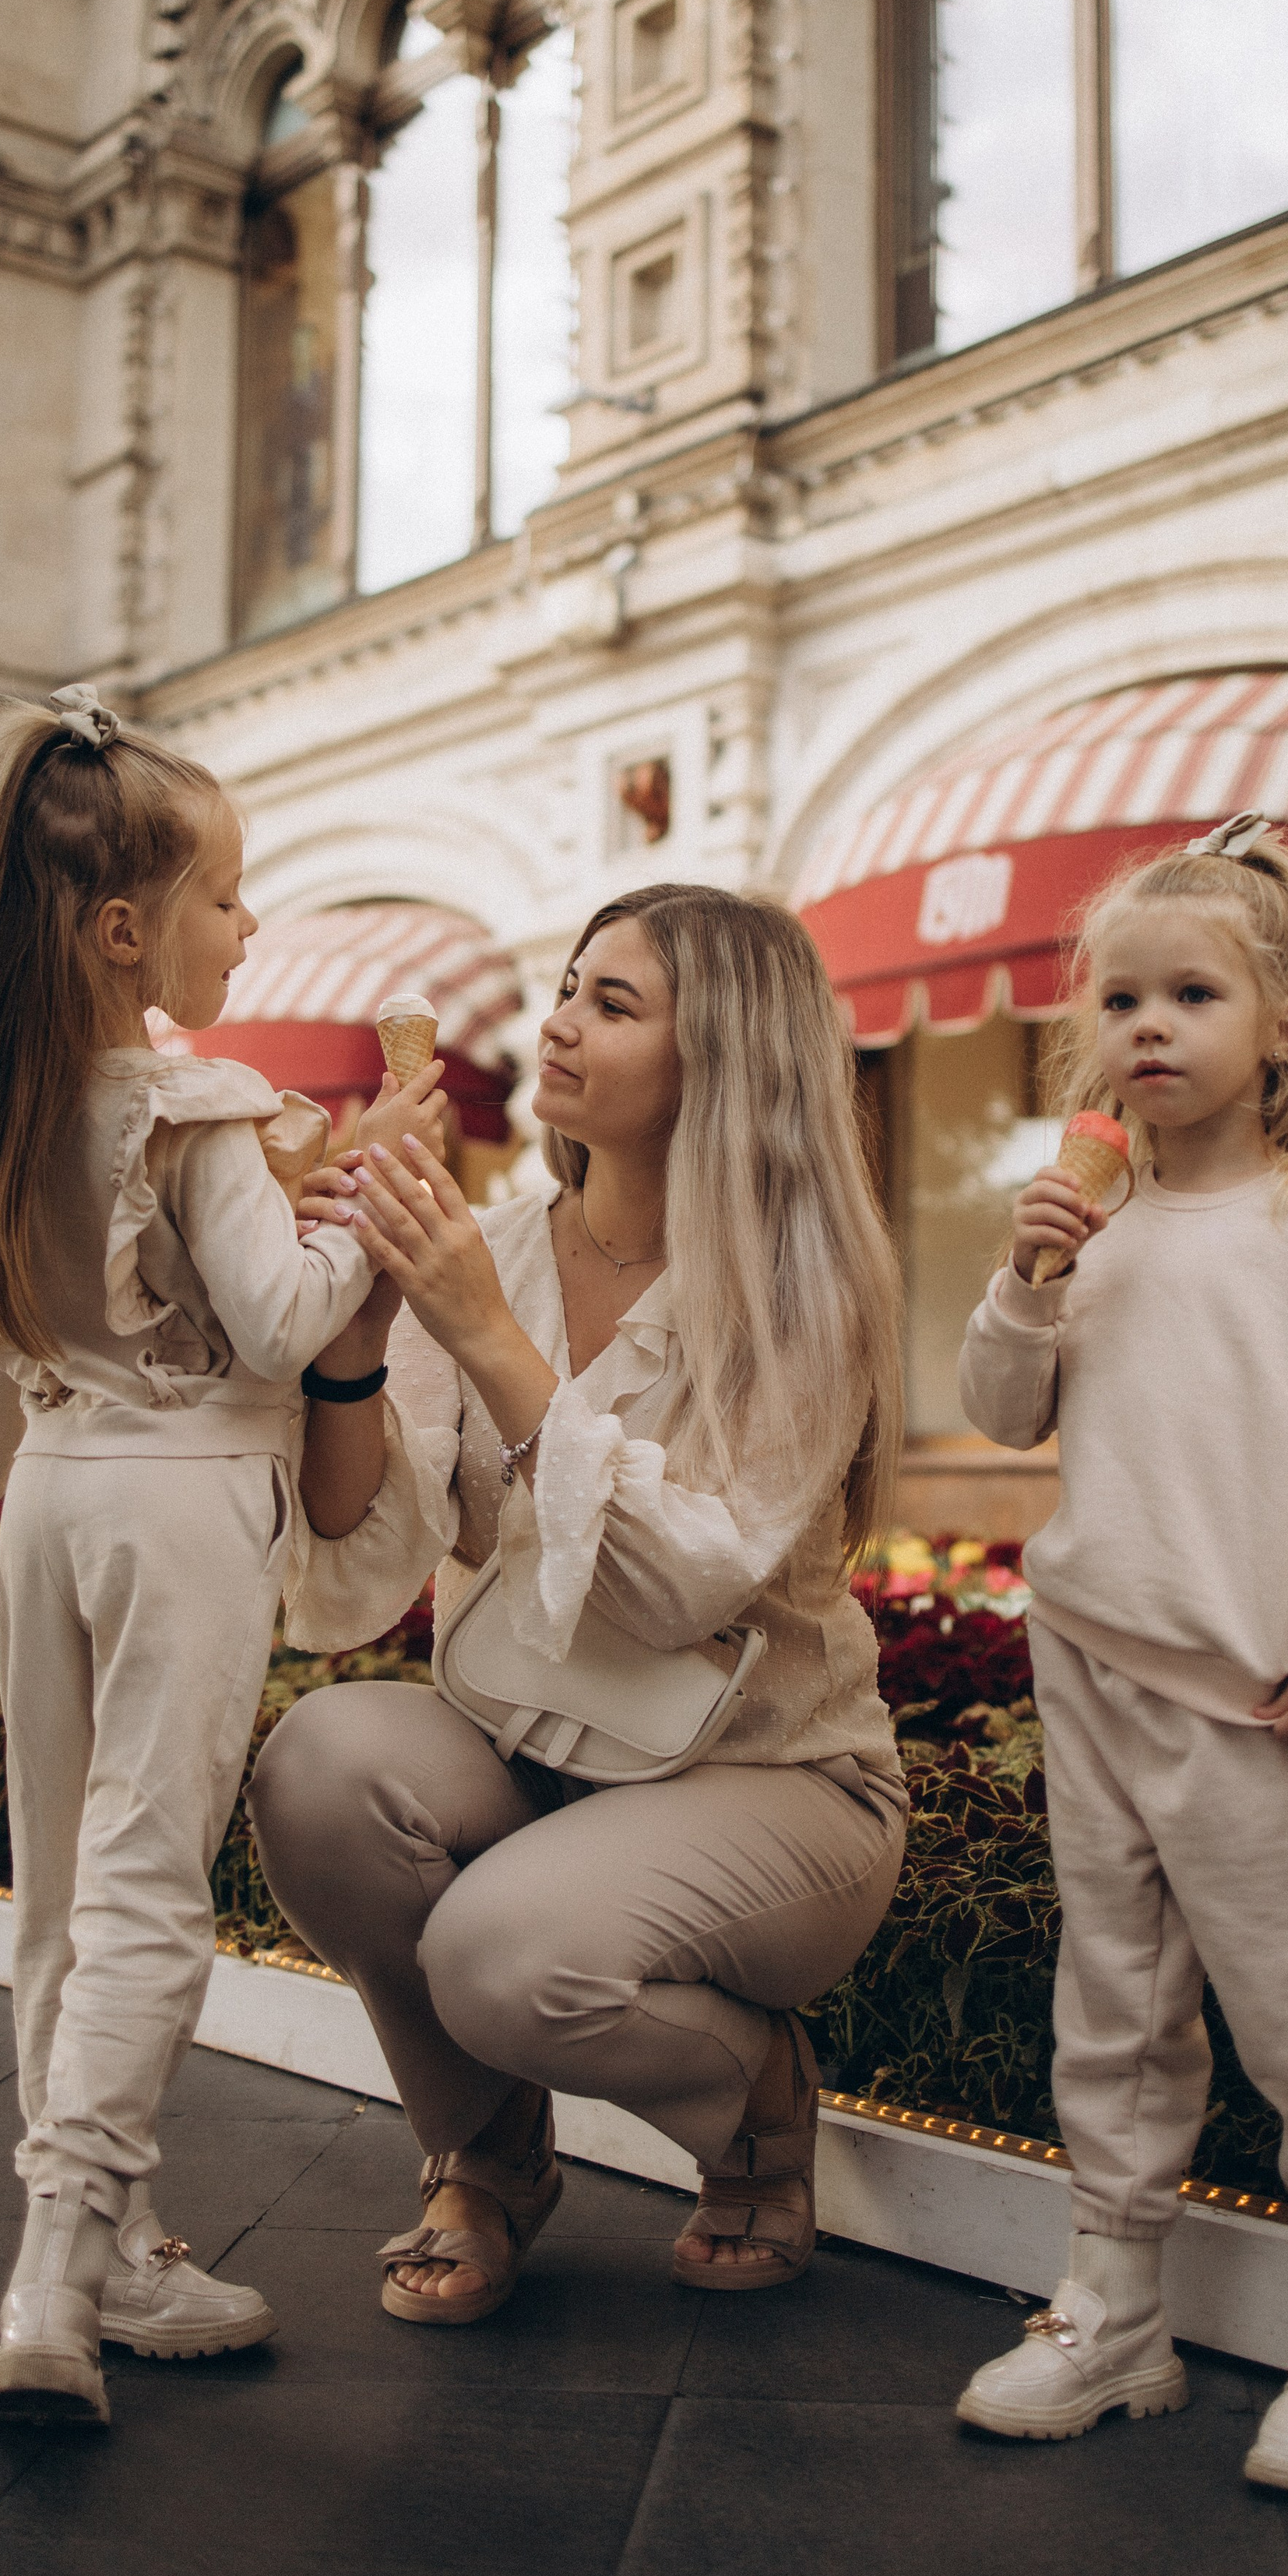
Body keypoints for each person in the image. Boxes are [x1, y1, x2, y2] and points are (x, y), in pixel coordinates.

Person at [0, 685, 445, 2427]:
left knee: (56, 1881)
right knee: (144, 1880)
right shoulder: (187, 1105)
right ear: (128, 930)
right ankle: (57, 2266)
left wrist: (23, 1475)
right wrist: (373, 1199)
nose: (248, 922)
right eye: (224, 898)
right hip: (181, 1502)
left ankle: (110, 2239)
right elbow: (280, 1332)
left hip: (52, 1494)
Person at [248, 883, 909, 2321]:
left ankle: (758, 2102)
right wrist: (355, 1341)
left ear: (723, 1058)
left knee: (502, 1958)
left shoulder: (806, 1290)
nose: (557, 1023)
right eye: (565, 988)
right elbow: (358, 1571)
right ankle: (485, 2160)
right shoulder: (488, 1240)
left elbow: (683, 1589)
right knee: (318, 1770)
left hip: (771, 1781)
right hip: (531, 1752)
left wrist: (484, 1333)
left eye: (614, 1004)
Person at [952, 812, 1288, 2501]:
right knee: (1117, 2003)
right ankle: (1113, 2298)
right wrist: (1021, 1283)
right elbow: (1000, 1414)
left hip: (1259, 1695)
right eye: (1119, 1000)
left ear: (1281, 1029)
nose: (1145, 1026)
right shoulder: (1087, 1229)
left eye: (1189, 995)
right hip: (1089, 1661)